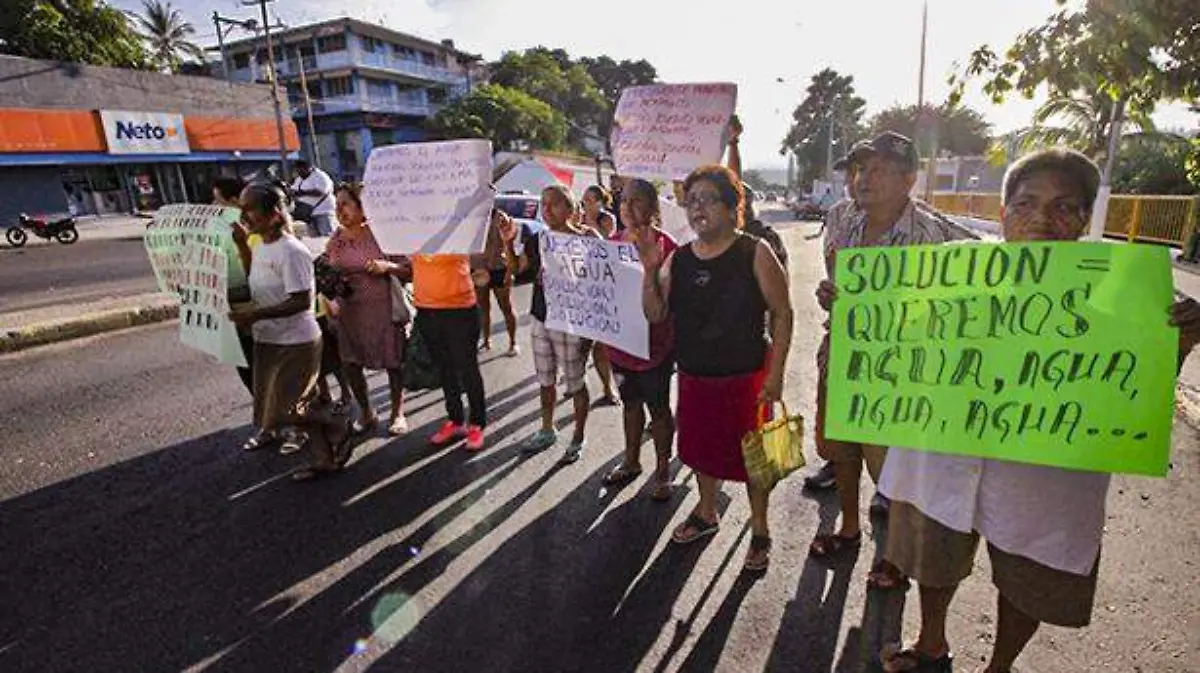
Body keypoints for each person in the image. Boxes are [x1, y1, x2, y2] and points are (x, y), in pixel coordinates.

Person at [875, 147, 1200, 673]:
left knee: (1030, 578)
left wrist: (1179, 340)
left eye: (1064, 206)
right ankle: (930, 642)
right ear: (1003, 215)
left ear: (1085, 218)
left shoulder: (1125, 289)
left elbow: (1138, 380)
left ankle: (999, 667)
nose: (1043, 220)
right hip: (944, 455)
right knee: (934, 557)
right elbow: (892, 341)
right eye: (1026, 204)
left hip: (1048, 475)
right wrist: (853, 313)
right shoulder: (949, 274)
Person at [809, 132, 976, 592]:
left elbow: (1004, 268)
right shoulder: (840, 216)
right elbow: (837, 285)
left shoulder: (936, 234)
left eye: (879, 169)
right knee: (842, 452)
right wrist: (829, 296)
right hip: (842, 360)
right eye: (861, 168)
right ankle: (847, 528)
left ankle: (894, 555)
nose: (864, 178)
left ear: (908, 179)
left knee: (893, 470)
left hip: (900, 376)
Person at [639, 164, 793, 572]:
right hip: (694, 378)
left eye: (708, 199)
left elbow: (782, 313)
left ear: (731, 207)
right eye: (691, 201)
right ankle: (707, 513)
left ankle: (760, 530)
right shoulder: (679, 259)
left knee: (756, 459)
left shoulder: (754, 251)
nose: (697, 208)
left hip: (747, 379)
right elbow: (655, 314)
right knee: (701, 452)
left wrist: (775, 375)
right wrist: (650, 270)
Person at [228, 182, 351, 480]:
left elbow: (299, 301)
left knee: (291, 409)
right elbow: (257, 277)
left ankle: (337, 422)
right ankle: (325, 460)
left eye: (250, 209)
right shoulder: (260, 244)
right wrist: (243, 246)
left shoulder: (292, 250)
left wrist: (255, 315)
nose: (244, 215)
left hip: (297, 341)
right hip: (269, 338)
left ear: (272, 214)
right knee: (280, 408)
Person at [504, 185, 600, 463]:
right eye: (543, 204)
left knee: (576, 383)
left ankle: (579, 436)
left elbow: (605, 280)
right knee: (546, 380)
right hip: (542, 318)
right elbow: (516, 269)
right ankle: (547, 428)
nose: (546, 210)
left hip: (574, 324)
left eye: (554, 204)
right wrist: (508, 241)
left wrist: (592, 332)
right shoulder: (538, 240)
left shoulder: (588, 238)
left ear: (570, 209)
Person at [600, 178, 678, 501]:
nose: (627, 208)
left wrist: (652, 267)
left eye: (636, 201)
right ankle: (631, 462)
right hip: (619, 348)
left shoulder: (668, 246)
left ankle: (662, 471)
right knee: (630, 405)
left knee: (658, 409)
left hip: (654, 349)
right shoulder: (612, 243)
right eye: (623, 201)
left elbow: (667, 304)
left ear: (653, 208)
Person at [412, 211, 503, 452]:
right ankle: (455, 420)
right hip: (426, 308)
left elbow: (482, 245)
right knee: (445, 369)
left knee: (467, 367)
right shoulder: (409, 228)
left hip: (459, 309)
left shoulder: (458, 224)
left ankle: (477, 424)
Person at [324, 182, 409, 437]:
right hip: (348, 313)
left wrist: (387, 267)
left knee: (394, 362)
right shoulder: (336, 239)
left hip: (383, 310)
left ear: (363, 208)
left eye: (346, 204)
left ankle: (397, 413)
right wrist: (330, 299)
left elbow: (409, 269)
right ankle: (367, 412)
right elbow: (326, 274)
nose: (340, 211)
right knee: (351, 363)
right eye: (337, 205)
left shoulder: (382, 235)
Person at [803, 151, 860, 489]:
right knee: (834, 417)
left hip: (895, 345)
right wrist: (828, 296)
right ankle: (834, 465)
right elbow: (834, 272)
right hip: (842, 337)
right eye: (852, 172)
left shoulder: (923, 226)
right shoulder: (838, 215)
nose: (857, 180)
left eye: (869, 171)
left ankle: (886, 487)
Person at [475, 207, 519, 356]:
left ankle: (513, 343)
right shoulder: (470, 218)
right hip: (478, 269)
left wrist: (509, 272)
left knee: (506, 307)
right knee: (483, 308)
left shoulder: (500, 217)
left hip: (498, 268)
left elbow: (510, 243)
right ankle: (486, 341)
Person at [290, 158, 335, 236]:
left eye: (300, 169)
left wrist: (302, 193)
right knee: (315, 241)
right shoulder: (300, 179)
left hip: (323, 212)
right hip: (308, 214)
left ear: (308, 167)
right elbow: (294, 190)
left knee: (327, 237)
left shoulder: (320, 176)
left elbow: (321, 192)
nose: (298, 172)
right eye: (297, 170)